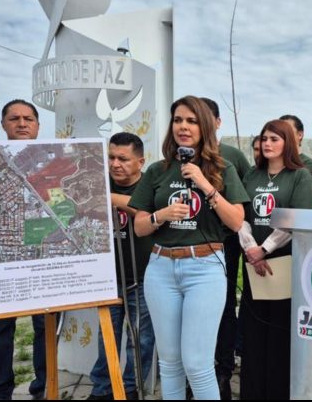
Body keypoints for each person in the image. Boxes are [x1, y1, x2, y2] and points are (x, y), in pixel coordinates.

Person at [129, 96, 249, 400]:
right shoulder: (158, 171)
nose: (184, 126)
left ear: (205, 126)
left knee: (197, 364)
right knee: (170, 364)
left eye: (192, 120)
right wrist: (161, 216)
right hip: (161, 269)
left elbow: (236, 222)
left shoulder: (224, 168)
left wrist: (205, 184)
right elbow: (140, 226)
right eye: (178, 120)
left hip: (205, 268)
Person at [237, 119, 312, 399]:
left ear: (288, 143)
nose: (268, 144)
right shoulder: (251, 176)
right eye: (265, 138)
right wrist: (251, 249)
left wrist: (265, 249)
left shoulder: (299, 176)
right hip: (253, 263)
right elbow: (240, 216)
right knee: (254, 333)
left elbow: (297, 220)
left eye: (275, 139)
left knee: (279, 333)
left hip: (284, 263)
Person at [0, 99, 47, 401]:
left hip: (42, 260)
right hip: (4, 262)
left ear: (37, 125)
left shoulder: (48, 161)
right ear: (3, 125)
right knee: (0, 329)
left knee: (45, 325)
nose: (22, 123)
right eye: (14, 118)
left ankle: (44, 388)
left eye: (28, 118)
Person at [87, 132, 155, 401]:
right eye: (111, 157)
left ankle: (130, 389)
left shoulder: (151, 185)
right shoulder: (96, 183)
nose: (115, 164)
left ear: (140, 161)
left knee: (141, 340)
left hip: (143, 276)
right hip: (106, 278)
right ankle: (102, 388)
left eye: (123, 159)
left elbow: (145, 208)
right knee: (107, 338)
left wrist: (106, 198)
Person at [199, 97, 252, 400]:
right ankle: (199, 371)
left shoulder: (231, 156)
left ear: (217, 123)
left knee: (223, 307)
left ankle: (223, 370)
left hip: (225, 244)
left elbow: (242, 202)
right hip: (190, 245)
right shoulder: (180, 158)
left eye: (206, 118)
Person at [280, 115, 312, 181]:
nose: (283, 135)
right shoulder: (271, 162)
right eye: (280, 132)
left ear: (300, 135)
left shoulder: (309, 164)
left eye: (288, 131)